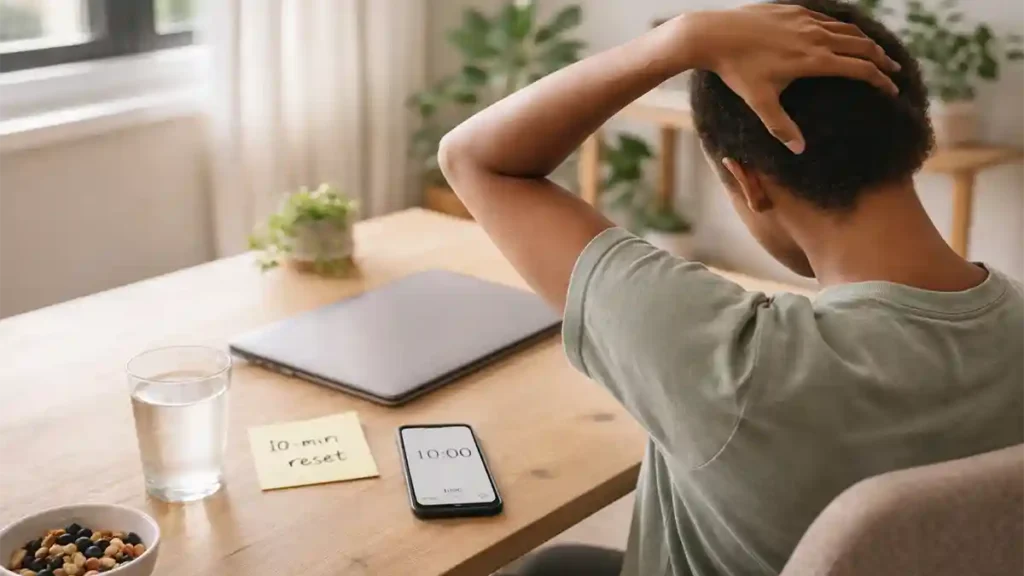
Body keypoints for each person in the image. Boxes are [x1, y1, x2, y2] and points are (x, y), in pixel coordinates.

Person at [439, 0, 1024, 574]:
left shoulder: (739, 365)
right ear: (914, 141)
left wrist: (680, 39)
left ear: (748, 183)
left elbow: (474, 158)